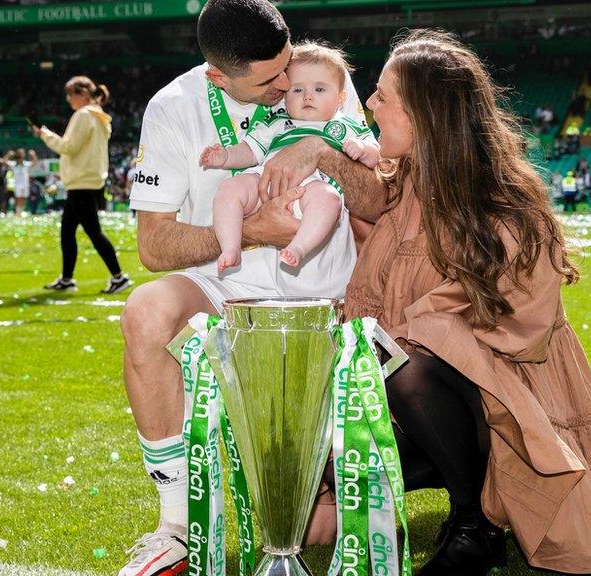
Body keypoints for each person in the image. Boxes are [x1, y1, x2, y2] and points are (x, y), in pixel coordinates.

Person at [336, 30, 591, 574]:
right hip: (441, 397)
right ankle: (459, 487)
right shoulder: (406, 181)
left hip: (506, 400)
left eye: (384, 95)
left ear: (427, 114)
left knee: (413, 375)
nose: (369, 103)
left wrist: (429, 324)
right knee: (335, 463)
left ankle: (474, 524)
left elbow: (517, 331)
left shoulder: (502, 201)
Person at [117, 1, 373, 573]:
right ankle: (175, 525)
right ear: (218, 77)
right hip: (224, 286)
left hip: (326, 290)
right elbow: (155, 248)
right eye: (269, 79)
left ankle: (331, 483)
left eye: (288, 66)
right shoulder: (173, 108)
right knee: (146, 312)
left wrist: (321, 149)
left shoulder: (317, 75)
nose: (287, 85)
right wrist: (253, 232)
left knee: (314, 527)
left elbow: (377, 197)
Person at [199, 41, 379, 271]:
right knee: (229, 189)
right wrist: (225, 157)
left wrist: (363, 151)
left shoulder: (345, 127)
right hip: (264, 182)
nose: (308, 97)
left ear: (341, 99)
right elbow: (251, 151)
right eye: (298, 90)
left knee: (330, 200)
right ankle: (230, 246)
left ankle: (298, 248)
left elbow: (378, 158)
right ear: (286, 96)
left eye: (319, 89)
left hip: (313, 187)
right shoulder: (278, 123)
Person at [32, 75, 131, 295]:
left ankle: (118, 276)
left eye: (70, 94)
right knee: (67, 231)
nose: (68, 100)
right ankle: (67, 279)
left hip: (81, 182)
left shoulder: (83, 115)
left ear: (82, 94)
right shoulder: (100, 117)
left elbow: (68, 147)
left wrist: (44, 134)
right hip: (88, 179)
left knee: (93, 232)